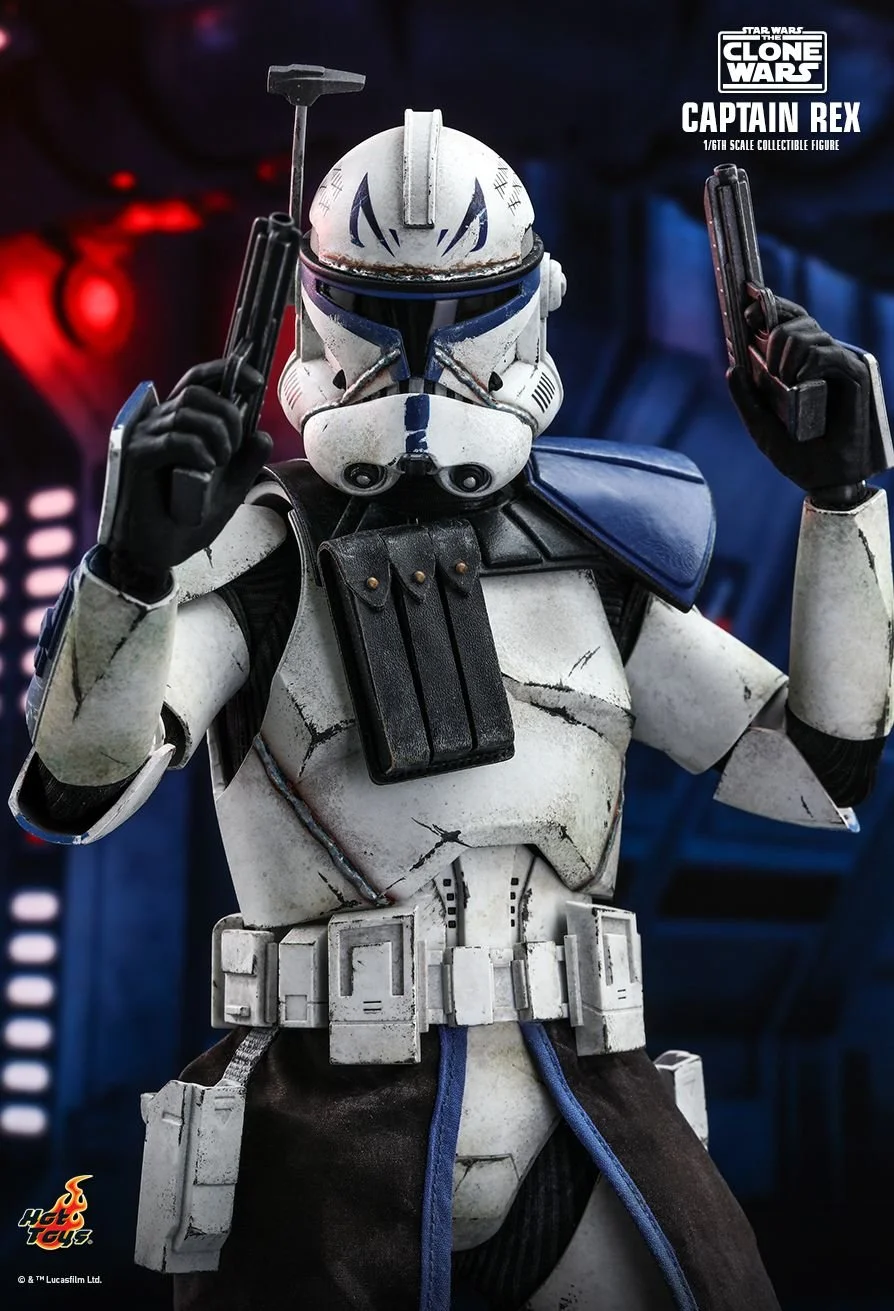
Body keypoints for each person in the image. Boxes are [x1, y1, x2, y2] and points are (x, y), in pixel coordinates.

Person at [10, 104, 893, 1311]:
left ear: (528, 303)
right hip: (325, 1143)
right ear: (317, 309)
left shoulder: (592, 560)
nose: (422, 363)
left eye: (462, 314)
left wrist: (843, 502)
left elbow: (818, 772)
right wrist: (132, 576)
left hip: (589, 1126)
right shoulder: (260, 560)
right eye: (381, 315)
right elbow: (77, 791)